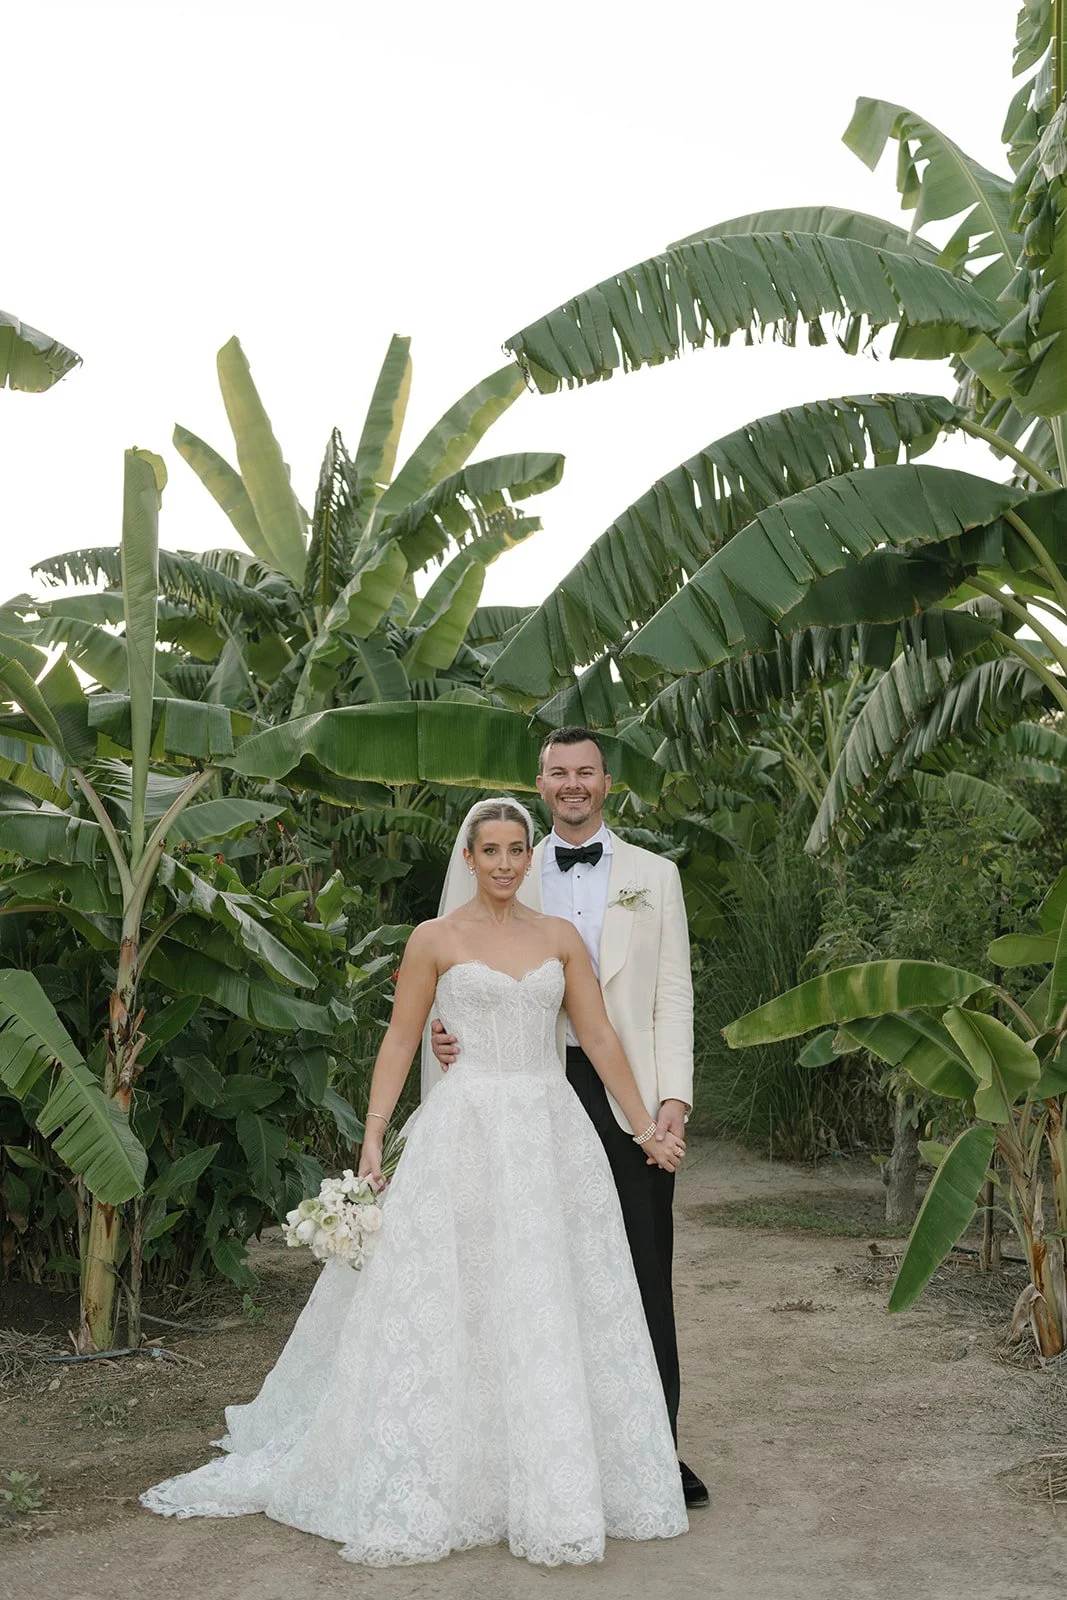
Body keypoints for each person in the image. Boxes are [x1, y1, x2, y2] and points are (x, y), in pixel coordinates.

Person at [141, 798, 688, 1568]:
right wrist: (373, 1135)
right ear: (468, 857)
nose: (504, 863)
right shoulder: (433, 938)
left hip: (549, 1132)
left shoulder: (559, 938)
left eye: (515, 849)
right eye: (490, 850)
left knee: (543, 1293)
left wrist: (642, 1127)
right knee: (457, 1291)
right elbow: (401, 1038)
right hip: (463, 1130)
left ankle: (549, 1473)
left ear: (528, 857)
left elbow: (596, 1037)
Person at [430, 727, 707, 1510]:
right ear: (541, 783)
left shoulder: (655, 876)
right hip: (534, 1086)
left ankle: (654, 1453)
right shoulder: (508, 866)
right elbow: (457, 966)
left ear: (606, 782)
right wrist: (446, 1032)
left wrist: (672, 1100)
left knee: (643, 1268)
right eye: (558, 772)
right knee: (535, 1269)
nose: (572, 784)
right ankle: (540, 1451)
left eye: (585, 771)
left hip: (632, 1090)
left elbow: (673, 996)